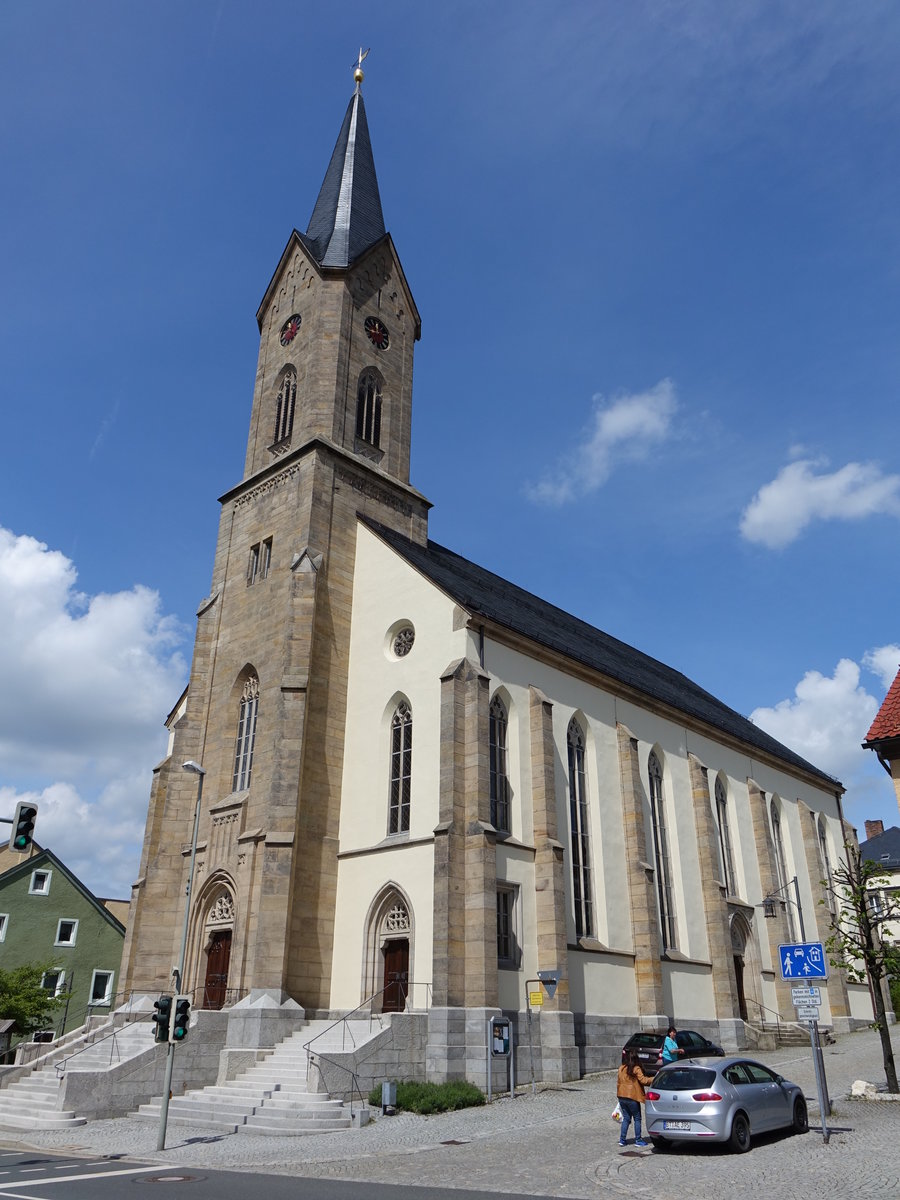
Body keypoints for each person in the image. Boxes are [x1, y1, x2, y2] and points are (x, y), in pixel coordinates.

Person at [616, 1049, 654, 1147]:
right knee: (637, 1118)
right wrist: (655, 1078)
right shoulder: (636, 1068)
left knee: (626, 1118)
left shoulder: (621, 1068)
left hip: (621, 1096)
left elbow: (619, 1082)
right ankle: (638, 1139)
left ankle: (622, 1140)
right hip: (632, 1097)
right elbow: (644, 1081)